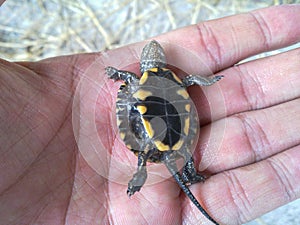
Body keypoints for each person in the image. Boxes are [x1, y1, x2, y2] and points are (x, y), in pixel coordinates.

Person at [0, 4, 299, 225]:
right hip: (171, 124)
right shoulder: (170, 80)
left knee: (171, 155)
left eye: (152, 56)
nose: (154, 53)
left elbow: (154, 81)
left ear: (146, 65)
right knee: (178, 153)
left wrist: (116, 74)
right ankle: (188, 174)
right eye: (154, 55)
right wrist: (207, 80)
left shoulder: (138, 79)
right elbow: (191, 81)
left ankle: (182, 174)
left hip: (156, 131)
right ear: (156, 63)